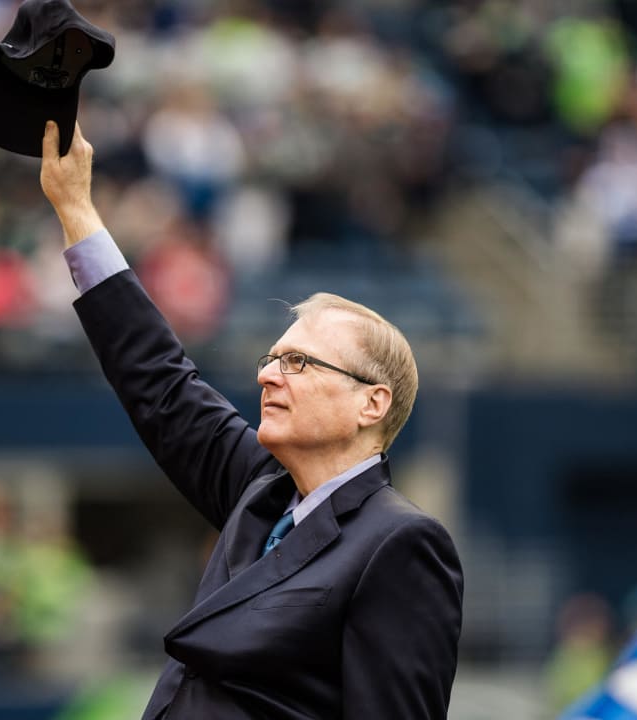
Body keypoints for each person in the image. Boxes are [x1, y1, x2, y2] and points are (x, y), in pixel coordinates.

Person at [39, 120, 463, 719]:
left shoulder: (400, 544)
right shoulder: (259, 490)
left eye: (298, 362)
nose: (267, 375)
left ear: (372, 403)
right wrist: (77, 208)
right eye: (270, 359)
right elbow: (157, 379)